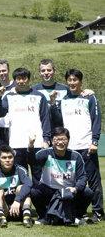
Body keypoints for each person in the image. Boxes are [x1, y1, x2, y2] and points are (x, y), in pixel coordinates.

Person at [50, 68, 103, 223]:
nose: (72, 83)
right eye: (70, 80)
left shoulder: (89, 98)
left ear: (80, 81)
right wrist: (53, 104)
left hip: (86, 146)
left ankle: (98, 212)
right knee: (72, 182)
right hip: (70, 148)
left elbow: (96, 119)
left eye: (75, 80)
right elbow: (58, 122)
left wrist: (94, 141)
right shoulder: (63, 100)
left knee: (93, 181)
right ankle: (76, 210)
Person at [0, 68, 51, 183]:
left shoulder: (39, 96)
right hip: (16, 143)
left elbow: (45, 119)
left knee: (38, 176)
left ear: (28, 79)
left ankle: (39, 200)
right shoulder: (9, 96)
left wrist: (46, 139)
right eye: (18, 79)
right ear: (14, 81)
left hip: (37, 143)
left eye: (23, 78)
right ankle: (24, 200)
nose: (21, 81)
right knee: (21, 176)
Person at [29, 127, 93, 226]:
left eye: (63, 139)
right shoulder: (45, 153)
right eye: (57, 139)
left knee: (87, 192)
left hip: (68, 191)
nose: (60, 142)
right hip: (49, 190)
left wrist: (75, 189)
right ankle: (43, 216)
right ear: (52, 141)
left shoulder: (76, 156)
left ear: (68, 140)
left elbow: (83, 177)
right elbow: (31, 161)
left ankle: (75, 216)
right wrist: (30, 145)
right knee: (34, 191)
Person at [0, 145, 33, 228]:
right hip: (2, 208)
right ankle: (1, 218)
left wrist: (17, 200)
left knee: (21, 187)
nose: (8, 160)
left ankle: (27, 217)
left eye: (10, 157)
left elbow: (29, 184)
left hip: (17, 208)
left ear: (14, 158)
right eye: (4, 158)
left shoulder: (20, 170)